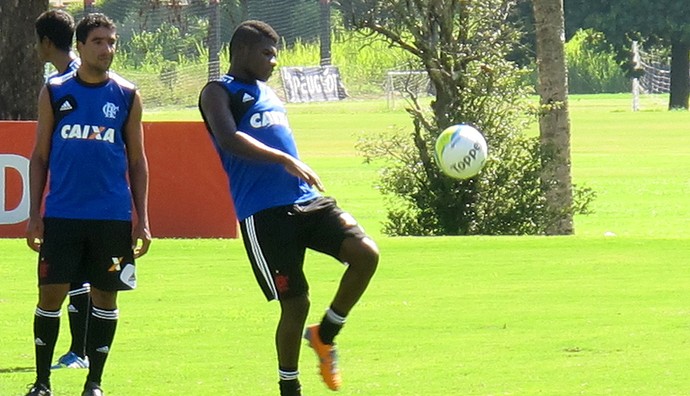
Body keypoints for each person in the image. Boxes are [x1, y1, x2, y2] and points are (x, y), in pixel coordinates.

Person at [198, 20, 379, 396]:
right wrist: (283, 158)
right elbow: (228, 138)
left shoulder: (269, 93)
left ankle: (325, 334)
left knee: (366, 255)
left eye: (275, 52)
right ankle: (289, 387)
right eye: (266, 52)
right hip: (264, 213)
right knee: (295, 303)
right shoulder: (218, 91)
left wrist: (288, 164)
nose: (274, 60)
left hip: (306, 201)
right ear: (241, 51)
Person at [25, 13, 151, 396]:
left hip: (111, 217)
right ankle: (43, 381)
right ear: (79, 46)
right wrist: (34, 216)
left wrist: (141, 219)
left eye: (111, 42)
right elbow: (40, 156)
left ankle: (94, 382)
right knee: (51, 294)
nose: (106, 49)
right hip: (62, 214)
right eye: (98, 41)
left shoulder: (127, 95)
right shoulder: (55, 91)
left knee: (105, 295)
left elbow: (137, 161)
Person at [34, 8, 90, 371]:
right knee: (76, 275)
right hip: (75, 195)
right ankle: (77, 351)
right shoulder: (62, 80)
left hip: (82, 197)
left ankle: (80, 351)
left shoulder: (73, 81)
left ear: (46, 42)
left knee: (77, 275)